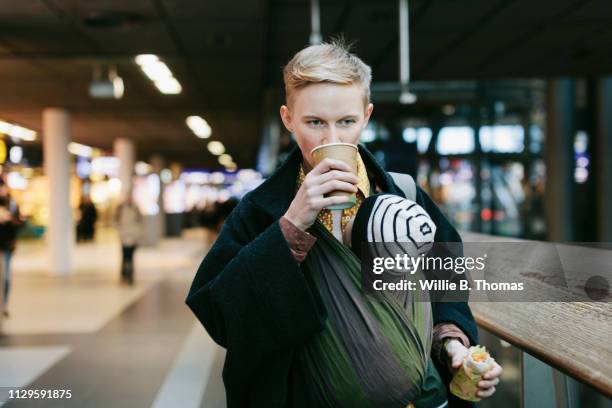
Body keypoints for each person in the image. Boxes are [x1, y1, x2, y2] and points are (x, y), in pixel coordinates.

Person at [186, 40, 502, 407]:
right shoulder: (260, 210)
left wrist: (450, 341)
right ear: (288, 119)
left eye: (347, 122)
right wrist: (291, 225)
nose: (331, 139)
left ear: (366, 116)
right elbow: (221, 318)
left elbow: (446, 276)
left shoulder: (404, 193)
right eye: (315, 122)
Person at [0, 186, 23, 318]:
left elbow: (18, 223)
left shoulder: (11, 204)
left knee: (6, 277)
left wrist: (10, 220)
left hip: (6, 246)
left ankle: (4, 305)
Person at [114, 195, 142, 285]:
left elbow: (140, 222)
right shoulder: (121, 209)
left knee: (131, 257)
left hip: (133, 237)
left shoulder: (136, 209)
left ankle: (130, 275)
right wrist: (120, 232)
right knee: (125, 257)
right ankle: (124, 275)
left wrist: (137, 235)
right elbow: (115, 221)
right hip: (124, 237)